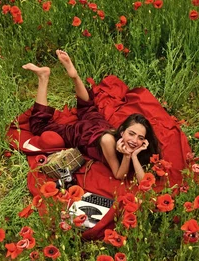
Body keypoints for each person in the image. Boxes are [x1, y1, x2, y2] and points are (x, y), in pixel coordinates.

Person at [23, 50, 159, 183]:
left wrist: (134, 155)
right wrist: (127, 156)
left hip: (99, 123)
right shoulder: (108, 141)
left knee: (88, 107)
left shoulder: (136, 146)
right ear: (122, 132)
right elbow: (119, 175)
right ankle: (43, 77)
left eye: (140, 138)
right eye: (132, 134)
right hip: (84, 134)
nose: (135, 140)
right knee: (38, 125)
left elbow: (145, 182)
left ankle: (75, 76)